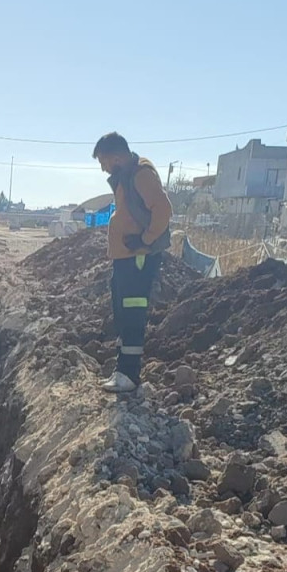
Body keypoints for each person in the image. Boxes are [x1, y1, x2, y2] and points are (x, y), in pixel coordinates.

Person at [92, 132, 173, 394]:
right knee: (122, 311)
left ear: (116, 157)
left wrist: (145, 240)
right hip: (126, 258)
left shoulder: (141, 174)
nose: (103, 168)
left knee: (132, 312)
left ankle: (129, 374)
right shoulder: (127, 175)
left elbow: (163, 209)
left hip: (138, 259)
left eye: (104, 161)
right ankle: (122, 369)